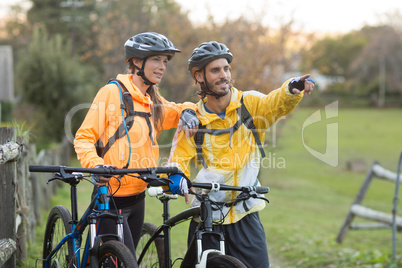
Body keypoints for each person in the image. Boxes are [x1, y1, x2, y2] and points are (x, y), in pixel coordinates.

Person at [165, 41, 314, 267]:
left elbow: (274, 103)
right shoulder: (192, 118)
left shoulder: (249, 104)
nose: (224, 75)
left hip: (245, 214)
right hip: (207, 215)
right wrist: (177, 176)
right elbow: (179, 157)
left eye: (226, 69)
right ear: (199, 76)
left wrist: (291, 89)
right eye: (215, 70)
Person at [73, 32, 198, 256]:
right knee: (123, 259)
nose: (162, 67)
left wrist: (189, 111)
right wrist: (95, 164)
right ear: (136, 62)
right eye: (156, 60)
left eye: (165, 61)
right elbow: (84, 137)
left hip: (138, 196)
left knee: (124, 259)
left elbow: (178, 109)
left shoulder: (152, 102)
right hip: (110, 196)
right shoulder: (112, 93)